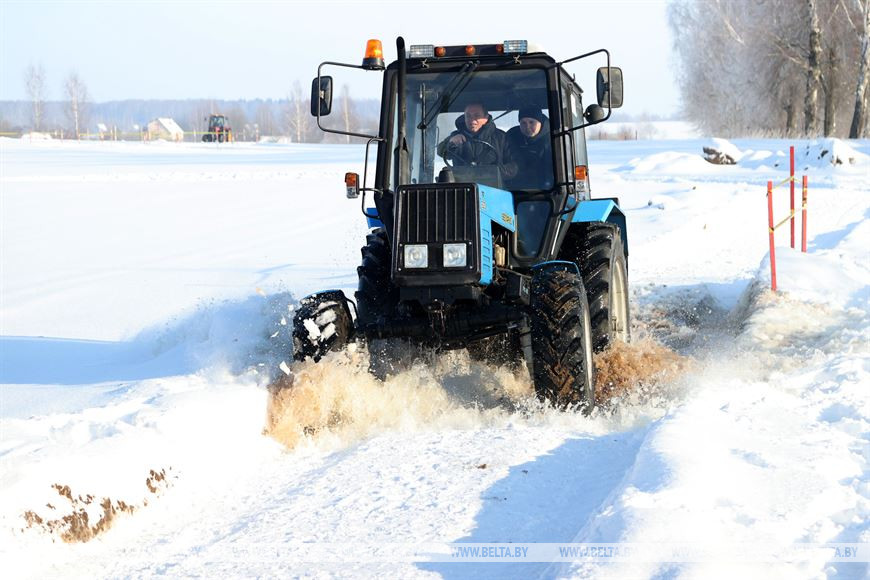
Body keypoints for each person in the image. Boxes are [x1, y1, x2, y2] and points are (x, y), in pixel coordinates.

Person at [436, 103, 514, 173]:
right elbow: (440, 151)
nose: (472, 120)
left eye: (477, 116)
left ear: (486, 117)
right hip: (463, 182)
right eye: (468, 116)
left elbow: (514, 166)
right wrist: (451, 143)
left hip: (494, 184)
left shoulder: (501, 138)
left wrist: (495, 171)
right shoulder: (456, 136)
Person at [506, 107, 552, 189]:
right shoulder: (511, 137)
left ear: (540, 122)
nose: (527, 127)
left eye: (531, 122)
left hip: (545, 191)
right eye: (523, 123)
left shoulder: (552, 140)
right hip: (514, 190)